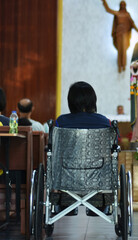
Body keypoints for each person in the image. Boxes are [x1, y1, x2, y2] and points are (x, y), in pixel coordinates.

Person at [55, 81, 111, 216]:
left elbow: (55, 148)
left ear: (71, 101)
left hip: (67, 176)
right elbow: (113, 148)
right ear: (93, 101)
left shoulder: (61, 122)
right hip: (98, 176)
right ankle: (100, 202)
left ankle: (64, 201)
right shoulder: (104, 122)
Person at [101, 0, 138, 73]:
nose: (122, 6)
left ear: (125, 6)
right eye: (121, 5)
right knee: (120, 50)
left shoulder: (127, 15)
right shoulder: (117, 13)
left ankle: (124, 65)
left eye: (123, 5)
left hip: (125, 34)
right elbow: (108, 9)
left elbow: (133, 24)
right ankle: (119, 66)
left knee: (124, 50)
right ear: (120, 6)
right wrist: (104, 1)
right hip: (119, 34)